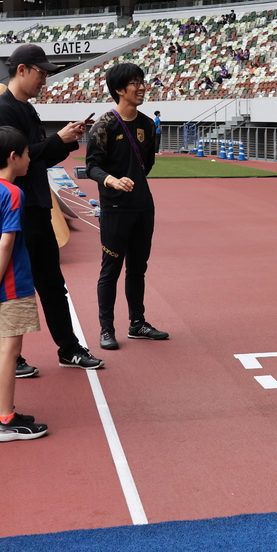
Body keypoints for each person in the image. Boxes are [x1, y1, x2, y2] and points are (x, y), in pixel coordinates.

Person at [0, 44, 103, 373]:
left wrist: (66, 141)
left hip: (36, 206)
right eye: (41, 73)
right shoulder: (2, 110)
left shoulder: (28, 109)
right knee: (14, 286)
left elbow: (38, 158)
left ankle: (69, 349)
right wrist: (56, 140)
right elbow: (15, 160)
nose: (44, 80)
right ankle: (12, 355)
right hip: (15, 208)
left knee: (52, 284)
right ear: (21, 69)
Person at [0, 126, 49, 443]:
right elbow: (7, 242)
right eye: (27, 154)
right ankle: (6, 419)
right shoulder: (14, 193)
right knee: (10, 351)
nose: (30, 159)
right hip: (12, 284)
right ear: (14, 156)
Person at [86, 63, 168, 351]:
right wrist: (112, 180)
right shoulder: (104, 125)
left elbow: (148, 164)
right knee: (110, 269)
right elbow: (92, 166)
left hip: (143, 208)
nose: (142, 87)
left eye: (142, 82)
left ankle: (137, 323)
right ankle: (106, 329)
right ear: (119, 89)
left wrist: (133, 182)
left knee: (138, 269)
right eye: (135, 83)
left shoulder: (147, 124)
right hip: (114, 209)